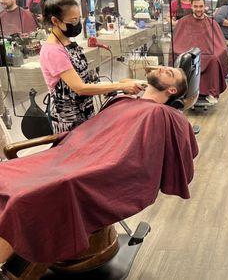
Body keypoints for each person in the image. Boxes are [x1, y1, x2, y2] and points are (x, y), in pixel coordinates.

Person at [0, 65, 194, 264]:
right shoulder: (124, 100)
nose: (161, 69)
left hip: (95, 168)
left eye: (168, 73)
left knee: (21, 199)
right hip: (71, 155)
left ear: (172, 91)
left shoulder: (163, 114)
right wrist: (129, 84)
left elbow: (178, 141)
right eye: (162, 67)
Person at [38, 0, 143, 133]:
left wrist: (117, 85)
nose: (77, 24)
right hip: (67, 118)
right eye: (73, 21)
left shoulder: (68, 42)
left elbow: (84, 80)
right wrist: (117, 86)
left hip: (84, 108)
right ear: (55, 21)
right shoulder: (53, 51)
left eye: (78, 18)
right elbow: (80, 87)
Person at [173, 0, 228, 105]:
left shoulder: (212, 23)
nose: (198, 9)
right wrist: (183, 52)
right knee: (183, 58)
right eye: (196, 6)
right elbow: (177, 43)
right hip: (188, 52)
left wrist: (217, 52)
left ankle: (212, 93)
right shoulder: (183, 22)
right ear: (191, 7)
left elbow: (220, 45)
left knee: (214, 59)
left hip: (208, 54)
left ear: (205, 7)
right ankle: (183, 93)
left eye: (201, 6)